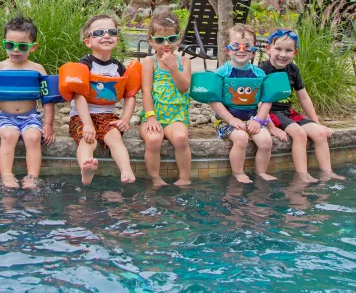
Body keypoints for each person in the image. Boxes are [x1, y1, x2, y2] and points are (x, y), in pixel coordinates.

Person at [254, 28, 344, 183]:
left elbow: (304, 97)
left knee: (320, 134)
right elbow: (258, 102)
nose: (283, 54)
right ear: (268, 49)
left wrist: (317, 123)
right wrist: (270, 127)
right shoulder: (261, 70)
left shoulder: (293, 69)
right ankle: (302, 175)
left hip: (287, 112)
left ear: (294, 53)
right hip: (271, 113)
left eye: (288, 50)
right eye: (278, 49)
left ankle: (327, 172)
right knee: (299, 133)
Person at [0, 17, 55, 189]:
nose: (16, 50)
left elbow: (47, 99)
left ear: (33, 47)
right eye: (10, 45)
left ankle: (32, 177)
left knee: (34, 137)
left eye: (22, 46)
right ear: (4, 44)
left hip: (31, 116)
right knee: (9, 136)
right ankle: (6, 175)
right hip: (7, 117)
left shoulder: (37, 69)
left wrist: (48, 125)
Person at [62, 14, 140, 185]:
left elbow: (130, 95)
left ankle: (126, 169)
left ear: (117, 39)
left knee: (114, 138)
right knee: (88, 139)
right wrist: (88, 123)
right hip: (82, 116)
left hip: (107, 116)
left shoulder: (118, 67)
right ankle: (86, 167)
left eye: (111, 32)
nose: (106, 35)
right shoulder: (85, 65)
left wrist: (125, 119)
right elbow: (79, 94)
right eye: (98, 33)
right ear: (88, 41)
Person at [209, 24, 284, 183]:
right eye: (236, 45)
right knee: (241, 138)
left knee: (266, 141)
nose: (241, 49)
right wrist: (231, 120)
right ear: (227, 49)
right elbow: (214, 100)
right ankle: (238, 173)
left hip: (252, 120)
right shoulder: (221, 73)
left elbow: (266, 100)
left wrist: (258, 120)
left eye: (247, 46)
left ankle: (260, 172)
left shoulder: (259, 74)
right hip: (226, 120)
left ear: (253, 51)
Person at [139, 11, 193, 186]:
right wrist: (151, 117)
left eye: (171, 38)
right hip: (155, 115)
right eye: (160, 40)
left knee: (180, 138)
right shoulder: (149, 62)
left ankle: (185, 178)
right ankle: (155, 178)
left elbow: (184, 87)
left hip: (176, 116)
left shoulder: (184, 62)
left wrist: (173, 68)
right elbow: (146, 92)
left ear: (179, 39)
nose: (166, 44)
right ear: (151, 41)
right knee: (154, 140)